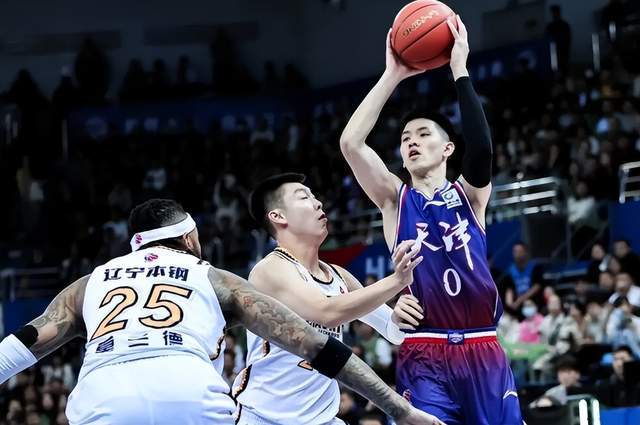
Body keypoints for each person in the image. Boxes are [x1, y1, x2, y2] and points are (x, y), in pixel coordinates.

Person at [0, 199, 442, 425]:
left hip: (105, 398)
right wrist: (397, 409)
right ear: (189, 238)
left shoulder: (89, 283)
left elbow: (24, 344)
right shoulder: (215, 278)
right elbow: (315, 344)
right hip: (190, 395)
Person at [339, 15, 522, 424]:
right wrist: (392, 75)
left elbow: (482, 150)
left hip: (482, 347)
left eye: (423, 134)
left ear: (448, 148)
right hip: (424, 350)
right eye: (405, 138)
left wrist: (460, 69)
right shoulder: (394, 199)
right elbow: (351, 143)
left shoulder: (470, 196)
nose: (411, 141)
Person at [233, 173, 430, 424]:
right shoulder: (269, 269)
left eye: (315, 196)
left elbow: (393, 332)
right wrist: (396, 281)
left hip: (323, 418)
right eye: (304, 197)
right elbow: (326, 312)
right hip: (265, 417)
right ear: (278, 216)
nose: (318, 203)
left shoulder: (339, 277)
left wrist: (399, 317)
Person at [506, 242, 545, 312]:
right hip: (517, 304)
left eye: (520, 251)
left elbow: (537, 286)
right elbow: (509, 289)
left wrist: (520, 300)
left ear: (526, 253)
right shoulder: (510, 270)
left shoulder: (535, 267)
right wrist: (509, 303)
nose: (517, 254)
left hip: (534, 300)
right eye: (515, 252)